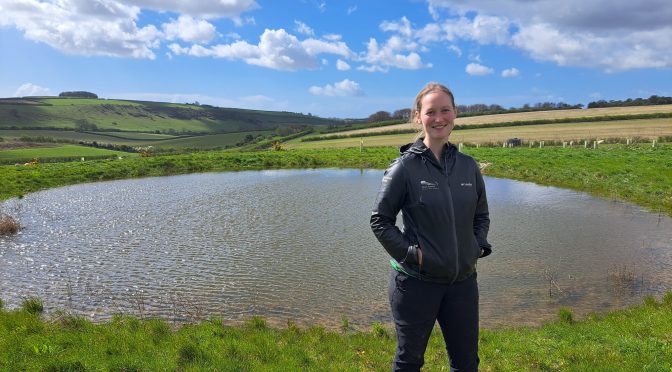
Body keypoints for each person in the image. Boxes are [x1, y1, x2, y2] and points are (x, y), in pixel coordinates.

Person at [370, 82, 492, 371]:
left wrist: (474, 247)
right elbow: (380, 220)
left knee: (466, 363)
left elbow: (481, 215)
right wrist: (413, 255)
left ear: (455, 113)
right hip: (416, 284)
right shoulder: (404, 167)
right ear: (418, 117)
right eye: (431, 111)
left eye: (445, 110)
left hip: (463, 283)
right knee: (409, 362)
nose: (439, 118)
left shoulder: (468, 166)